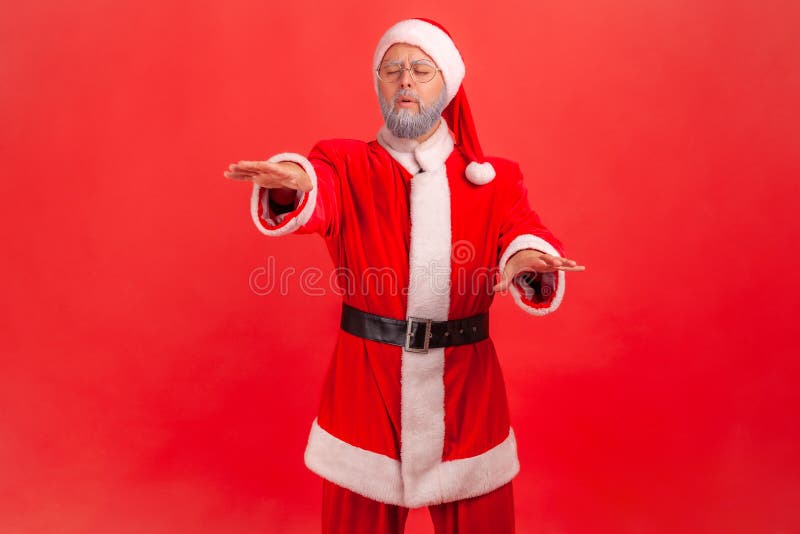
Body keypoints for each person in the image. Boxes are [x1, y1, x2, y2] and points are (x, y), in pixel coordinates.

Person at [224, 17, 585, 534]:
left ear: (449, 84)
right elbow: (317, 187)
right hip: (365, 384)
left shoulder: (495, 179)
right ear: (378, 85)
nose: (405, 81)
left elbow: (524, 232)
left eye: (420, 69)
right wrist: (292, 183)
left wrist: (527, 260)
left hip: (468, 388)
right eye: (391, 70)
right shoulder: (344, 163)